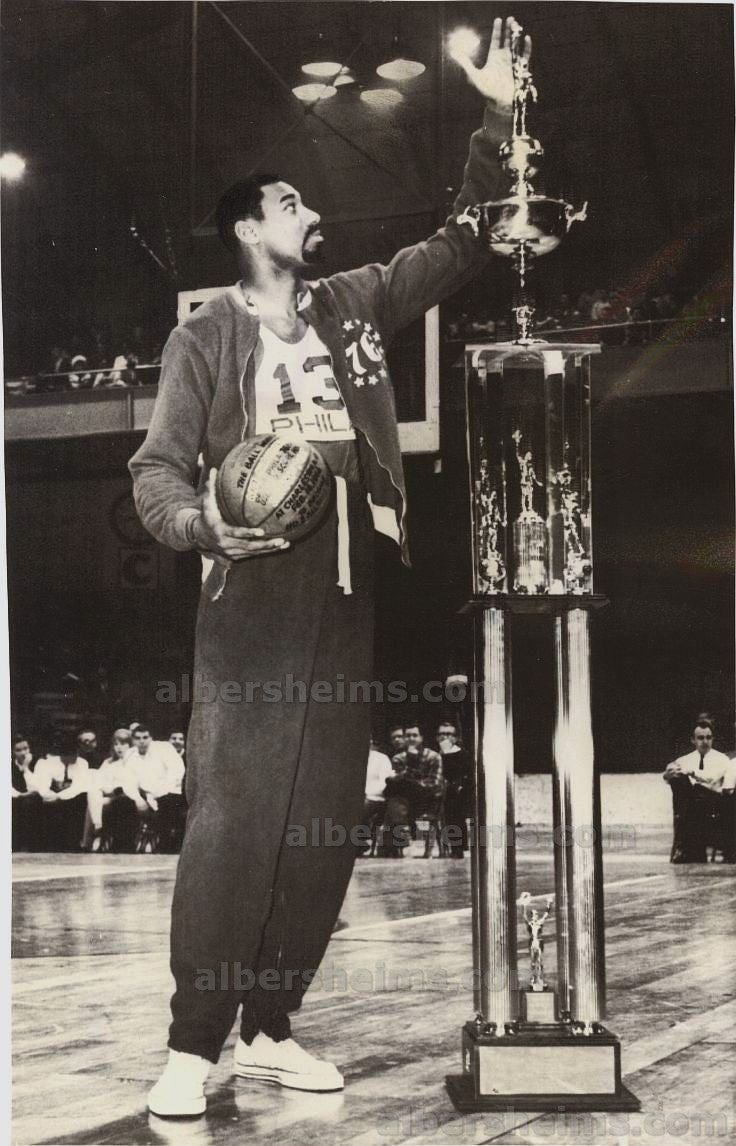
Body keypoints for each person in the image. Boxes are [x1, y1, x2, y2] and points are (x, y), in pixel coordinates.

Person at [130, 15, 524, 1118]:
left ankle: (268, 1027)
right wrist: (205, 526)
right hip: (250, 585)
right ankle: (190, 1042)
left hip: (345, 583)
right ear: (249, 227)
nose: (314, 214)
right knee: (237, 822)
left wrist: (495, 118)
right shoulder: (203, 339)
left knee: (323, 822)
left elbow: (464, 243)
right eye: (293, 203)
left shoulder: (351, 307)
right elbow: (157, 472)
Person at [663, 718, 736, 863]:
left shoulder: (723, 760)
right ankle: (688, 848)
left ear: (713, 739)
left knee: (696, 790)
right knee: (679, 782)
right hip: (692, 804)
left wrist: (693, 774)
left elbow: (714, 781)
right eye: (700, 738)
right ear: (693, 740)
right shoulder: (684, 760)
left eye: (708, 737)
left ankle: (685, 847)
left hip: (714, 803)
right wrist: (668, 775)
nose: (705, 741)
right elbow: (669, 777)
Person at [124, 726, 186, 853]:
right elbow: (128, 781)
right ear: (133, 740)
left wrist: (159, 793)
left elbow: (176, 771)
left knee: (167, 802)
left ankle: (165, 845)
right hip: (145, 794)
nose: (142, 741)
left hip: (169, 791)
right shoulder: (129, 755)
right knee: (123, 802)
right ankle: (125, 845)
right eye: (138, 738)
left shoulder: (164, 748)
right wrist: (138, 799)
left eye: (145, 737)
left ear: (151, 738)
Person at [82, 728, 141, 852]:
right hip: (108, 794)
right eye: (116, 744)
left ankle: (90, 837)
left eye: (123, 744)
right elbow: (100, 782)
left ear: (130, 745)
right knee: (93, 792)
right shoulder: (107, 762)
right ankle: (97, 825)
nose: (119, 748)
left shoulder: (135, 761)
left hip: (126, 796)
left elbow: (131, 784)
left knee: (95, 803)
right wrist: (109, 789)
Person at [436, 721, 472, 858]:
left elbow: (464, 776)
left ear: (455, 738)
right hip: (434, 790)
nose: (445, 737)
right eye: (441, 734)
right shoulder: (432, 754)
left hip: (455, 792)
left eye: (449, 734)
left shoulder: (462, 755)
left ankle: (457, 846)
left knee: (453, 803)